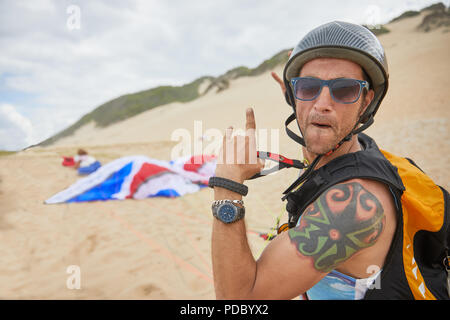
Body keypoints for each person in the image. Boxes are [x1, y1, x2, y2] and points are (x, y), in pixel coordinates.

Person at [209, 21, 449, 300]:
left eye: (344, 90)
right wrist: (300, 96)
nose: (322, 104)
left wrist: (227, 186)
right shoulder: (358, 151)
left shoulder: (353, 206)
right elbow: (321, 135)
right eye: (309, 87)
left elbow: (239, 299)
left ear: (366, 102)